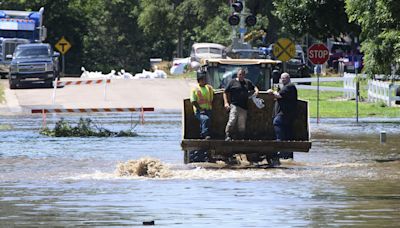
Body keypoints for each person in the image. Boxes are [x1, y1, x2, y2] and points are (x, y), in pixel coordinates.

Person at [267, 72, 298, 161]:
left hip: (285, 114)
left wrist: (271, 92)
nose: (283, 80)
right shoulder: (285, 88)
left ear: (288, 78)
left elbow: (278, 95)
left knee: (277, 122)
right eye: (282, 78)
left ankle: (280, 146)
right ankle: (287, 153)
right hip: (288, 114)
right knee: (287, 131)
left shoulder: (289, 87)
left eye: (285, 78)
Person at [223, 67, 259, 141]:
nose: (241, 76)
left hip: (244, 106)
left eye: (242, 74)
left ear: (244, 75)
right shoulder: (232, 82)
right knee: (232, 120)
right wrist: (226, 102)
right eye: (240, 74)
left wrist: (256, 91)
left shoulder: (247, 82)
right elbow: (225, 92)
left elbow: (254, 87)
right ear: (237, 75)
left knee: (242, 124)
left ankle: (241, 138)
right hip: (234, 105)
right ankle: (227, 135)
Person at [190, 70, 214, 139]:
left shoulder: (209, 88)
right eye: (203, 79)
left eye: (205, 79)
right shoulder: (195, 89)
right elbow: (193, 101)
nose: (204, 81)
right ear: (199, 80)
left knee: (207, 122)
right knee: (205, 119)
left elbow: (214, 94)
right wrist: (200, 109)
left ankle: (202, 136)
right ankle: (205, 135)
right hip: (199, 111)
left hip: (208, 109)